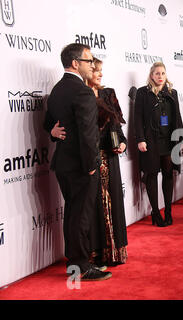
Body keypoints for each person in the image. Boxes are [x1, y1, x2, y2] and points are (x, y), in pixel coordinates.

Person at [51, 58, 129, 266]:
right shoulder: (77, 94)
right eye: (95, 70)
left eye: (100, 70)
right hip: (89, 160)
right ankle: (88, 257)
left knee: (108, 205)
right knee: (88, 210)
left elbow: (117, 126)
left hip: (109, 157)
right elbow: (62, 124)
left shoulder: (107, 93)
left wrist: (122, 142)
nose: (99, 73)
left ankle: (111, 252)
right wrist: (52, 131)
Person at [43, 43, 111, 281]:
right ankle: (81, 266)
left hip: (63, 164)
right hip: (81, 166)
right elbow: (87, 134)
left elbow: (48, 125)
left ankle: (77, 263)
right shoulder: (81, 91)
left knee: (73, 214)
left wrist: (52, 133)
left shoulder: (58, 89)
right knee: (80, 216)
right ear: (75, 63)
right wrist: (91, 163)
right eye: (88, 61)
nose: (92, 66)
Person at [134, 62, 183, 227]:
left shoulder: (171, 93)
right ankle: (155, 212)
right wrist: (140, 139)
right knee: (152, 174)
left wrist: (181, 139)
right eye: (157, 73)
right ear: (151, 75)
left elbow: (177, 117)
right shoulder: (143, 93)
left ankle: (168, 211)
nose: (160, 76)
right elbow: (138, 118)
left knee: (168, 174)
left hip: (169, 140)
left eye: (163, 73)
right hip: (151, 141)